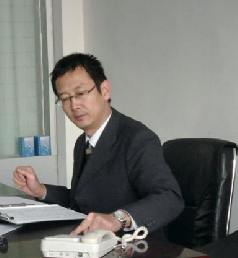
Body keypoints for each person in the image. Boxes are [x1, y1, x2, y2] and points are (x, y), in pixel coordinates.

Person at [13, 53, 183, 236]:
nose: (74, 105)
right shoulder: (82, 142)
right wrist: (41, 190)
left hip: (134, 246)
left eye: (80, 93)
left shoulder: (137, 138)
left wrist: (118, 219)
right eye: (65, 98)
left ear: (105, 90)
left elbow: (169, 198)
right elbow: (82, 200)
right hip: (91, 243)